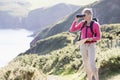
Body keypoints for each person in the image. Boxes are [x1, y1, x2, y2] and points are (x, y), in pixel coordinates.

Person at [70, 8, 101, 80]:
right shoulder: (82, 23)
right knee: (86, 65)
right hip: (83, 45)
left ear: (89, 15)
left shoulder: (95, 24)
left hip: (91, 45)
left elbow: (99, 37)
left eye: (85, 15)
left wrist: (91, 39)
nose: (83, 16)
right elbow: (72, 30)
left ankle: (96, 79)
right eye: (83, 15)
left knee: (92, 64)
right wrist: (76, 20)